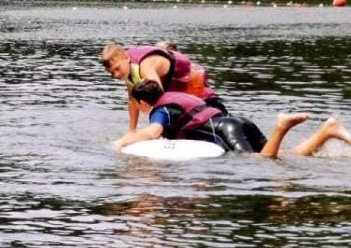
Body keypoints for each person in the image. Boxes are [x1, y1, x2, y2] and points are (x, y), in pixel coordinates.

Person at [114, 79, 351, 158]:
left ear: (142, 103)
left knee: (258, 162)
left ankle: (282, 126)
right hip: (237, 122)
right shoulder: (175, 97)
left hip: (225, 131)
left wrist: (126, 140)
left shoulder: (160, 110)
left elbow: (154, 132)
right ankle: (329, 130)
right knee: (279, 155)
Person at [101, 43, 227, 131]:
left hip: (192, 80)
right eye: (112, 72)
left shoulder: (144, 66)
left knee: (210, 111)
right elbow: (132, 100)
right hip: (175, 85)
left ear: (126, 58)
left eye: (117, 69)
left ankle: (226, 119)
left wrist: (156, 128)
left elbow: (158, 95)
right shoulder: (127, 72)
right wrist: (132, 130)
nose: (116, 75)